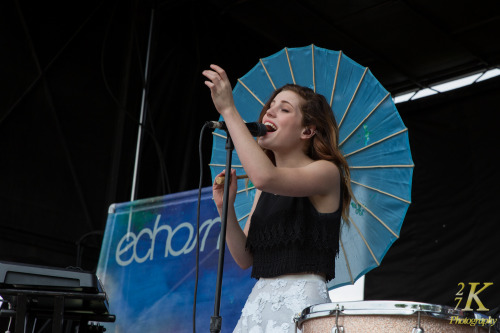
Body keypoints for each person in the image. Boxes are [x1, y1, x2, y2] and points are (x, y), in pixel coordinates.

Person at [203, 64, 353, 332]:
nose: (269, 111)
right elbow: (245, 258)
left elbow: (264, 176)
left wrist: (229, 110)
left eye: (284, 109)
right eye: (270, 106)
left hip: (301, 307)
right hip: (258, 304)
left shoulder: (326, 172)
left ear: (307, 131)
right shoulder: (265, 185)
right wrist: (225, 207)